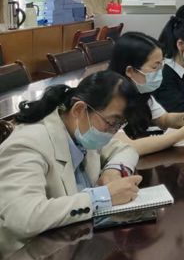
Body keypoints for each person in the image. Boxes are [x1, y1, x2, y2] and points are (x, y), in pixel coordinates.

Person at [0, 71, 142, 238]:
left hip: (77, 239)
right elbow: (23, 217)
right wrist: (103, 197)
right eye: (111, 122)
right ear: (79, 109)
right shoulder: (27, 145)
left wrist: (112, 171)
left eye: (119, 125)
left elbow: (125, 150)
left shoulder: (81, 129)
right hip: (33, 249)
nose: (113, 132)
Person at [109, 32, 184, 156]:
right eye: (154, 67)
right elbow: (127, 147)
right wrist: (181, 135)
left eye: (161, 65)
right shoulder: (109, 98)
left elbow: (163, 119)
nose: (160, 72)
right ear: (130, 71)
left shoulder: (140, 91)